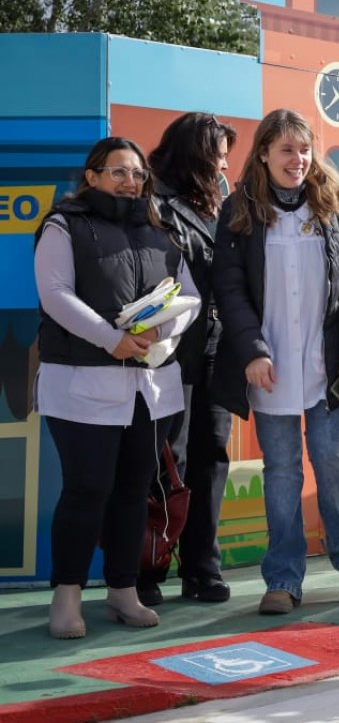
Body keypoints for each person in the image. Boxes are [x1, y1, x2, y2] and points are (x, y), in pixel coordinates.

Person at [212, 109, 339, 616]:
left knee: (331, 462)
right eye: (286, 149)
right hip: (269, 367)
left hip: (328, 367)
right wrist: (251, 352)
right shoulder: (238, 211)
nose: (298, 159)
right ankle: (283, 578)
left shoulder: (337, 204)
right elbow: (231, 289)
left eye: (304, 149)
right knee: (281, 470)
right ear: (263, 153)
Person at [35, 136, 200, 638]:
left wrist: (160, 334)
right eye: (117, 172)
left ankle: (123, 591)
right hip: (80, 388)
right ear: (92, 176)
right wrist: (111, 340)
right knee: (87, 491)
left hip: (149, 389)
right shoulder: (65, 225)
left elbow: (189, 297)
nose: (129, 182)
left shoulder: (162, 232)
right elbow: (55, 294)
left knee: (133, 491)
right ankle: (66, 598)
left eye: (136, 174)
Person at [140, 112, 237, 607]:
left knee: (211, 458)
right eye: (220, 152)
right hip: (169, 351)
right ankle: (147, 566)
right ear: (198, 153)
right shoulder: (152, 202)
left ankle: (202, 567)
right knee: (166, 462)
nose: (226, 161)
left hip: (217, 348)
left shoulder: (225, 205)